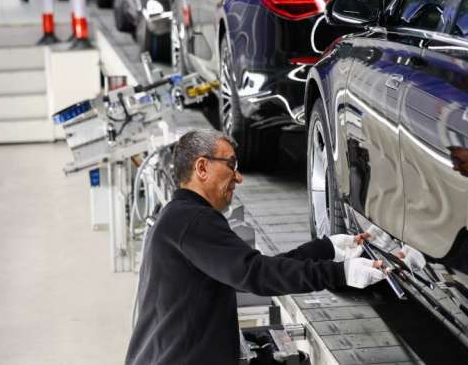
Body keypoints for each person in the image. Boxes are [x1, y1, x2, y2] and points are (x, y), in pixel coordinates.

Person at [125, 129, 386, 365]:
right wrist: (340, 273)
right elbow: (257, 273)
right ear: (202, 168)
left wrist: (326, 249)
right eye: (231, 165)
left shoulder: (179, 218)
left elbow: (251, 268)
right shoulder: (193, 220)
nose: (238, 177)